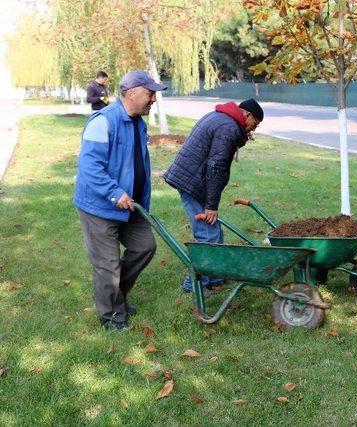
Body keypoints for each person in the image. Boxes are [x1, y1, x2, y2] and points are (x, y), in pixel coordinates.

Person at [74, 70, 167, 331]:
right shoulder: (103, 122)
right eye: (150, 94)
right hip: (99, 207)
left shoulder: (138, 123)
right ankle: (112, 316)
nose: (153, 99)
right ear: (131, 93)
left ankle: (114, 296)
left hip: (130, 205)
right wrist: (115, 193)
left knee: (145, 247)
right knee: (107, 265)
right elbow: (89, 166)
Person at [163, 98, 264, 292]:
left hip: (192, 178)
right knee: (207, 235)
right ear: (248, 115)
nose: (253, 129)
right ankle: (193, 284)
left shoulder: (222, 118)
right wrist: (211, 205)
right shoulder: (228, 127)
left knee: (214, 231)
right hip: (192, 181)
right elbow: (216, 167)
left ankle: (214, 277)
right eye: (255, 124)